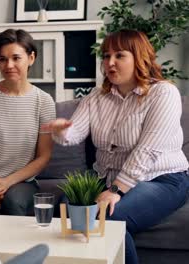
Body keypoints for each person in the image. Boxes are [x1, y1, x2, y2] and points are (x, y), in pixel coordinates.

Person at [43, 29, 189, 264]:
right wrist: (62, 130)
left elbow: (148, 150)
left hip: (162, 179)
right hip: (107, 178)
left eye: (119, 55)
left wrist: (116, 191)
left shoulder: (163, 93)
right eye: (106, 56)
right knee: (70, 210)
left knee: (108, 219)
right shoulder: (96, 97)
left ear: (139, 58)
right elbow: (74, 134)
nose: (110, 63)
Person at [0, 29, 56, 216]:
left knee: (14, 201)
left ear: (31, 58)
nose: (9, 65)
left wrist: (7, 182)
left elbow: (43, 156)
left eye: (16, 58)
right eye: (2, 59)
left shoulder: (44, 101)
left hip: (23, 182)